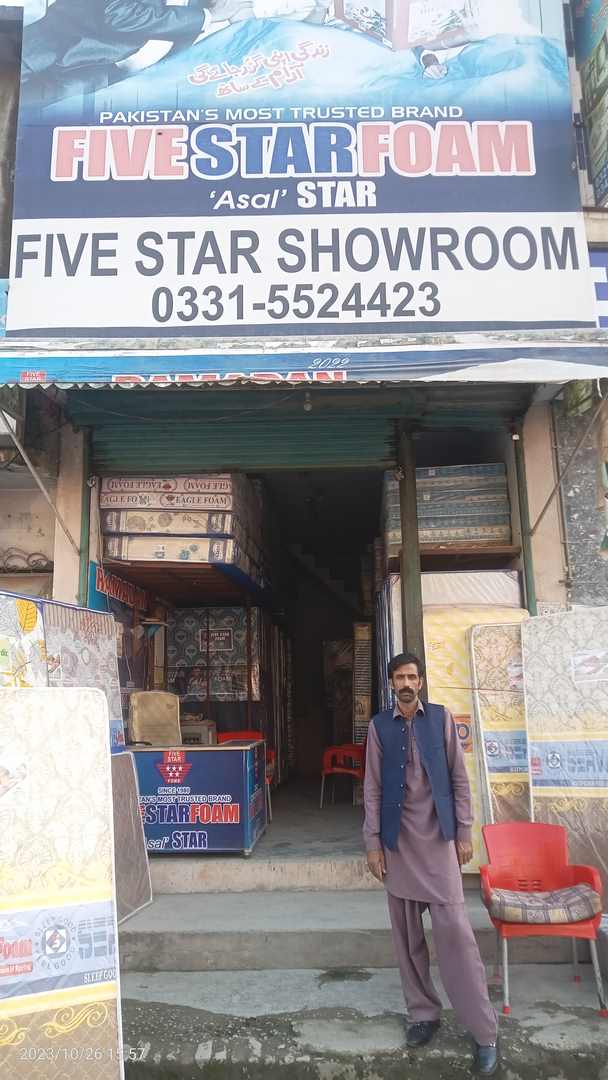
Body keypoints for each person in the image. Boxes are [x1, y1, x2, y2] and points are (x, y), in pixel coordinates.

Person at [363, 651, 499, 1076]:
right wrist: (372, 844)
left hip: (439, 842)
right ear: (391, 683)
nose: (406, 683)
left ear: (421, 681)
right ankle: (423, 1014)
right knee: (407, 941)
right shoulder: (379, 726)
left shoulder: (440, 719)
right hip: (398, 843)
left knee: (456, 936)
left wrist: (464, 832)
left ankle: (484, 1031)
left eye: (412, 676)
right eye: (399, 677)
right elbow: (371, 788)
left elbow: (460, 779)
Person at [20, 0, 255, 104]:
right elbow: (118, 14)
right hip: (48, 52)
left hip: (99, 76)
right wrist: (209, 16)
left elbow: (241, 17)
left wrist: (235, 13)